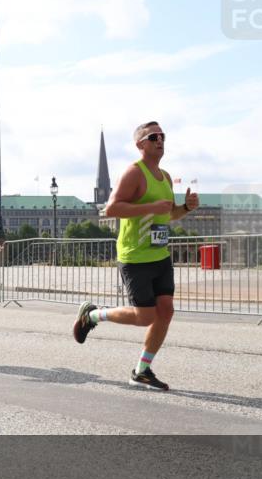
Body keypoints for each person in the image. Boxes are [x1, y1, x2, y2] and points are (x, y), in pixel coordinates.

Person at [73, 121, 199, 391]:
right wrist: (151, 206)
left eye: (162, 135)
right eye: (153, 136)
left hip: (160, 255)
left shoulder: (164, 177)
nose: (160, 140)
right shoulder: (133, 173)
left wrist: (185, 208)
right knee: (145, 317)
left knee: (165, 311)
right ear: (140, 144)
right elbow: (111, 209)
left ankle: (142, 370)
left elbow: (167, 214)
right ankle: (93, 316)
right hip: (135, 256)